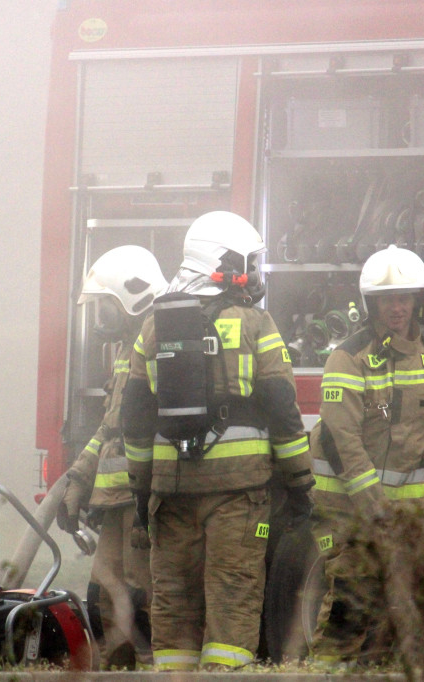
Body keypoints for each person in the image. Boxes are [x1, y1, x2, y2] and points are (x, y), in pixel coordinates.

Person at [120, 210, 315, 671]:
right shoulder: (255, 323)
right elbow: (282, 405)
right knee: (232, 595)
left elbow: (134, 419)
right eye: (249, 261)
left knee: (174, 601)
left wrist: (141, 492)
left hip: (170, 492)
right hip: (237, 491)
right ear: (225, 262)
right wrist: (301, 482)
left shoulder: (154, 327)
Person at [307, 245, 424, 666]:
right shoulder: (348, 357)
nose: (397, 307)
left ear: (419, 300)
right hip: (349, 508)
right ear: (370, 302)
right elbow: (343, 442)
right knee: (351, 608)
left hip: (409, 514)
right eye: (387, 298)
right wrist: (375, 509)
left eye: (404, 297)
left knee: (407, 614)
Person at [55, 244, 168, 669]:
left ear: (132, 296)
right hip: (117, 500)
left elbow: (148, 427)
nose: (103, 319)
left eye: (108, 307)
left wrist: (147, 497)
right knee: (106, 594)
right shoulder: (128, 348)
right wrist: (79, 479)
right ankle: (118, 673)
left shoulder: (158, 341)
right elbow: (109, 427)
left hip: (142, 498)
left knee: (145, 599)